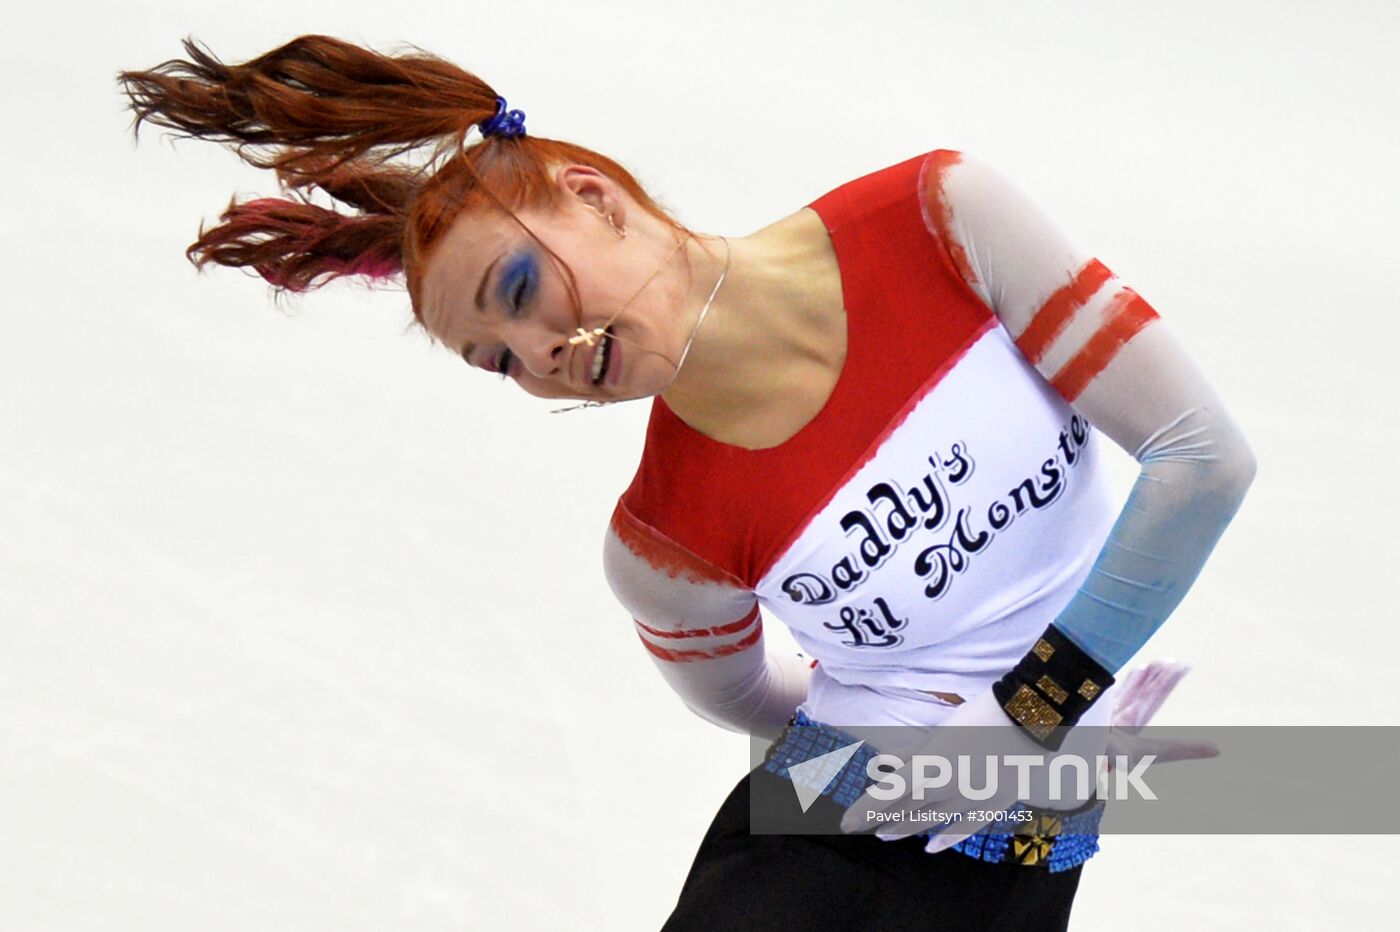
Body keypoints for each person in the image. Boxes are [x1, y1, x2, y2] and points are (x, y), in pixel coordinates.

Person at [117, 34, 1256, 931]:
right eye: (496, 359)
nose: (538, 353)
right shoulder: (659, 543)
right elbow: (758, 704)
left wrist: (1033, 711)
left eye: (519, 286)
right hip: (829, 835)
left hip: (1021, 826)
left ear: (592, 195)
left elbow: (1202, 457)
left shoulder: (935, 221)